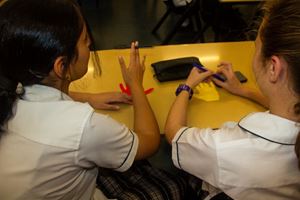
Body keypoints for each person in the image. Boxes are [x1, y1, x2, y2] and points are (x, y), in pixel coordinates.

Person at [0, 0, 162, 199]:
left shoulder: (10, 89)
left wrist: (89, 98)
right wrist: (135, 83)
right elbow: (149, 141)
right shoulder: (84, 127)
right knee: (170, 185)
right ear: (61, 66)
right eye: (85, 40)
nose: (90, 44)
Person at [165, 0, 300, 199]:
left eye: (256, 47)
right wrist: (242, 90)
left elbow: (174, 134)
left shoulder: (227, 148)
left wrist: (187, 87)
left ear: (273, 68)